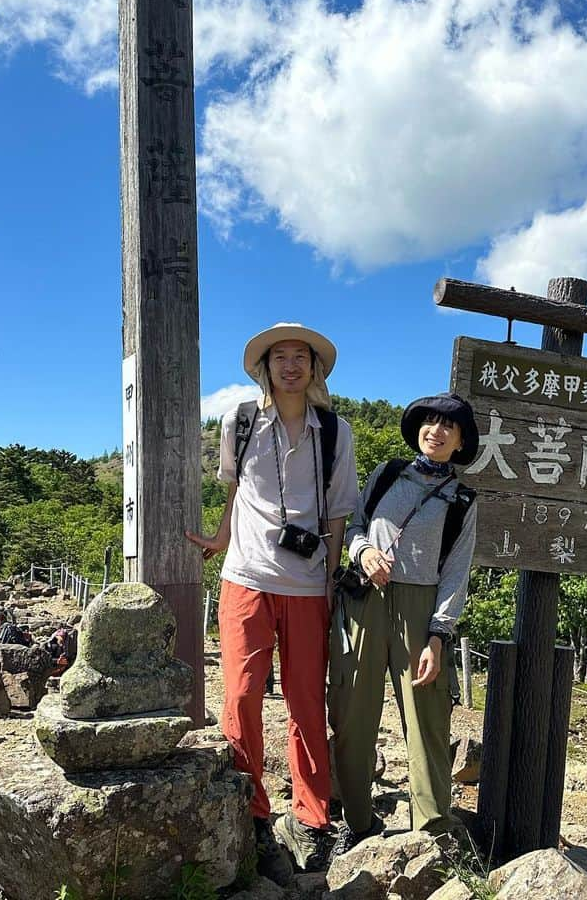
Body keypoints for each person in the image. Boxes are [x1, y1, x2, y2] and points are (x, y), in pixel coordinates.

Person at [186, 323, 358, 880]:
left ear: (315, 368)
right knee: (240, 697)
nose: (290, 365)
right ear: (265, 367)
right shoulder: (239, 420)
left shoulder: (336, 431)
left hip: (308, 583)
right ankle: (254, 814)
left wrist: (330, 577)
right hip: (246, 575)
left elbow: (337, 510)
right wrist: (219, 536)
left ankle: (312, 820)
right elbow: (236, 491)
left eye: (300, 357)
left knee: (307, 704)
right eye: (279, 357)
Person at [328, 393, 480, 857]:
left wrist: (439, 633)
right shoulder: (388, 474)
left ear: (459, 443)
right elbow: (355, 527)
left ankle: (433, 832)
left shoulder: (462, 498)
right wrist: (363, 552)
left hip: (422, 608)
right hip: (363, 601)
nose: (435, 431)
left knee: (427, 720)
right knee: (353, 712)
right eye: (430, 423)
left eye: (447, 427)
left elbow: (456, 569)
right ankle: (355, 821)